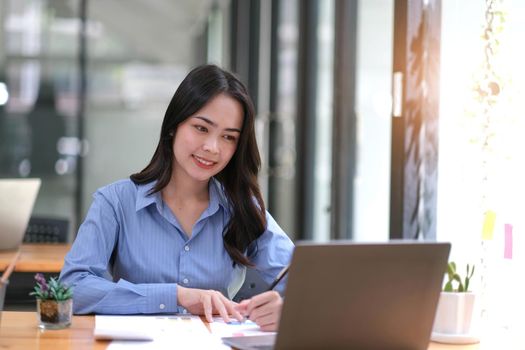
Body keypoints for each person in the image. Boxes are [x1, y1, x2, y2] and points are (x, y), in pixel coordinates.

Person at [59, 64, 294, 332]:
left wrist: (287, 307)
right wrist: (176, 295)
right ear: (174, 126)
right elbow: (72, 287)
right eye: (201, 128)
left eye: (228, 137)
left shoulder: (242, 207)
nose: (212, 148)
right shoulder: (115, 202)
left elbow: (308, 281)